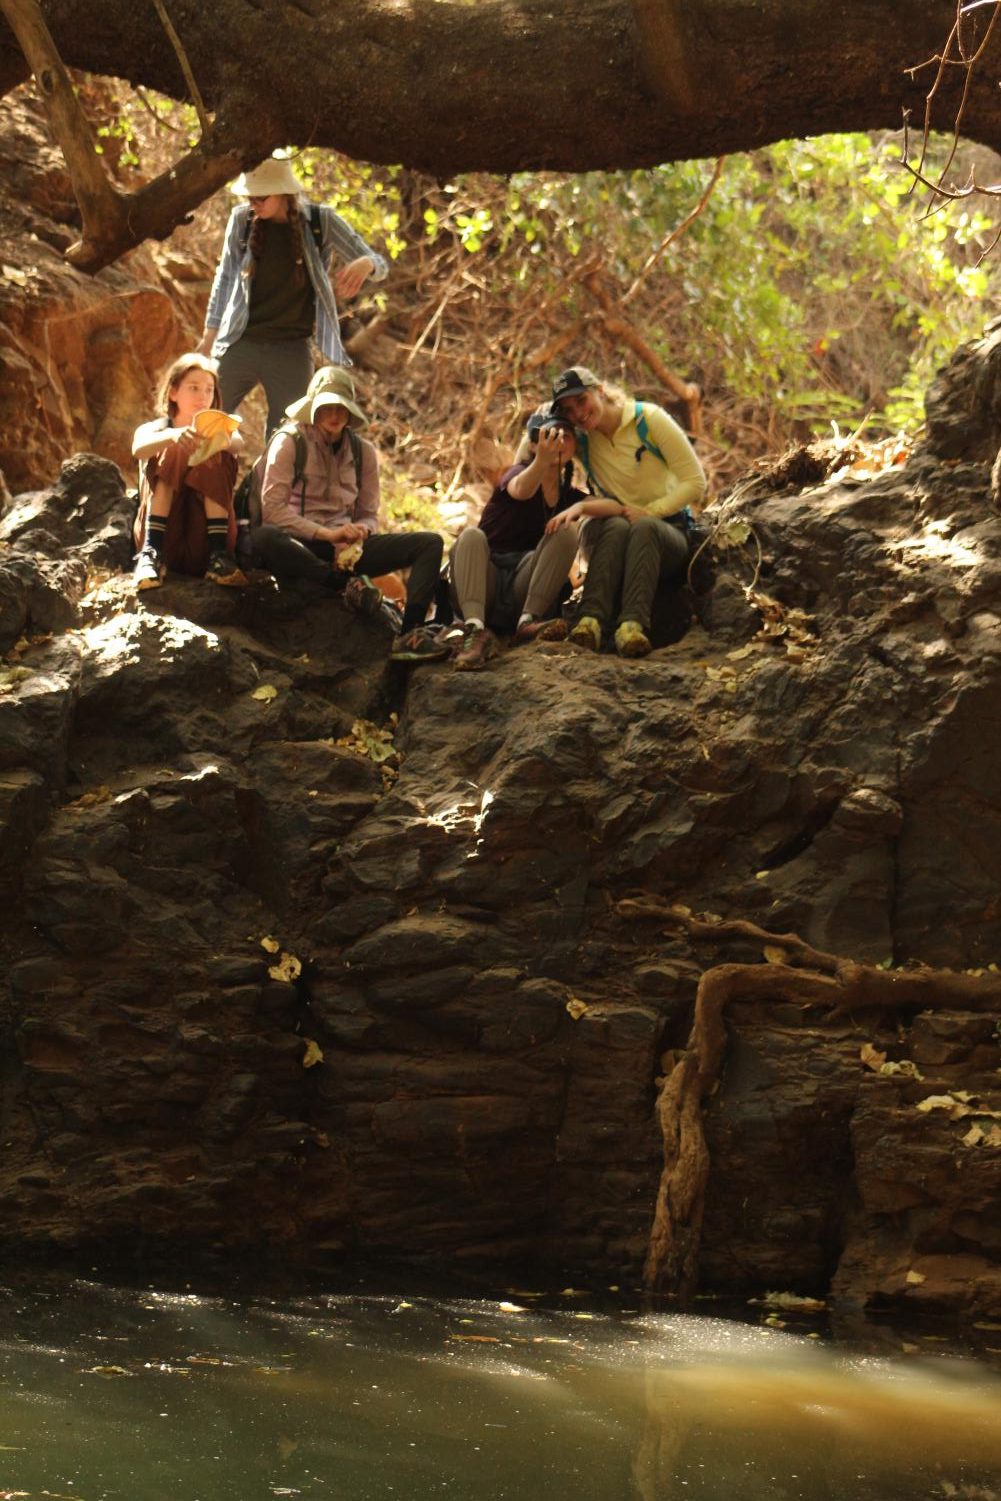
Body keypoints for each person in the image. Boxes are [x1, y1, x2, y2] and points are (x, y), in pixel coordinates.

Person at [253, 365, 448, 663]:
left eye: (341, 408)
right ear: (314, 408)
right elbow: (272, 510)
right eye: (327, 407)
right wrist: (326, 534)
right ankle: (342, 585)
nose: (334, 415)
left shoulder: (364, 452)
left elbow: (369, 513)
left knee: (430, 543)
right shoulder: (289, 442)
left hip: (348, 549)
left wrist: (360, 532)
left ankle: (410, 633)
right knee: (264, 538)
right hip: (303, 544)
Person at [197, 155, 389, 435]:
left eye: (261, 197)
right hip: (240, 340)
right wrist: (208, 338)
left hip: (291, 347)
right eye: (250, 197)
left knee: (288, 438)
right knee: (206, 424)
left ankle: (265, 481)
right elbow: (225, 279)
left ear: (284, 192)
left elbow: (379, 264)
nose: (254, 204)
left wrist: (367, 264)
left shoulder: (319, 221)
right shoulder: (242, 220)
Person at [547, 366, 707, 658]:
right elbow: (538, 433)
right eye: (568, 410)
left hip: (667, 533)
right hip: (617, 536)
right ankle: (590, 622)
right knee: (617, 526)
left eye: (581, 400)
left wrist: (651, 511)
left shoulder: (648, 419)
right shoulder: (583, 441)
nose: (578, 414)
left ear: (601, 390)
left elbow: (696, 482)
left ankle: (631, 627)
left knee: (643, 527)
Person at [448, 405, 586, 670]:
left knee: (567, 528)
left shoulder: (570, 495)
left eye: (566, 436)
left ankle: (528, 622)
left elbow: (609, 505)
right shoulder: (516, 472)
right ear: (533, 444)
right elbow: (521, 490)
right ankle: (474, 631)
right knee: (471, 536)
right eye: (550, 435)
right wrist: (541, 461)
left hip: (523, 586)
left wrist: (585, 507)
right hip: (481, 580)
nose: (558, 442)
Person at [131, 352, 245, 591]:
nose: (203, 396)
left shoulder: (222, 427)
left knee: (213, 449)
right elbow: (138, 449)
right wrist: (173, 436)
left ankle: (219, 557)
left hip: (203, 539)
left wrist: (217, 439)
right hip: (166, 537)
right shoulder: (155, 429)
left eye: (209, 389)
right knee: (176, 448)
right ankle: (151, 553)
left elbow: (238, 443)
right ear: (173, 392)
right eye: (194, 388)